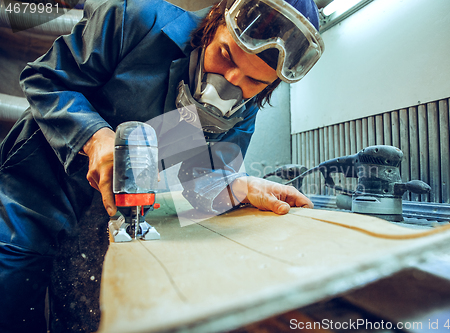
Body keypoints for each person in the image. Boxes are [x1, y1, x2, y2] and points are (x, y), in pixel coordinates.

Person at [0, 0, 324, 331]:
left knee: (86, 310)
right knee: (11, 302)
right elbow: (44, 79)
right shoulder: (134, 20)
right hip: (36, 192)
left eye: (253, 82)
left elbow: (198, 184)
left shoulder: (242, 111)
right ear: (215, 19)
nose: (229, 81)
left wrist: (238, 187)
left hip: (106, 215)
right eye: (226, 55)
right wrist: (95, 137)